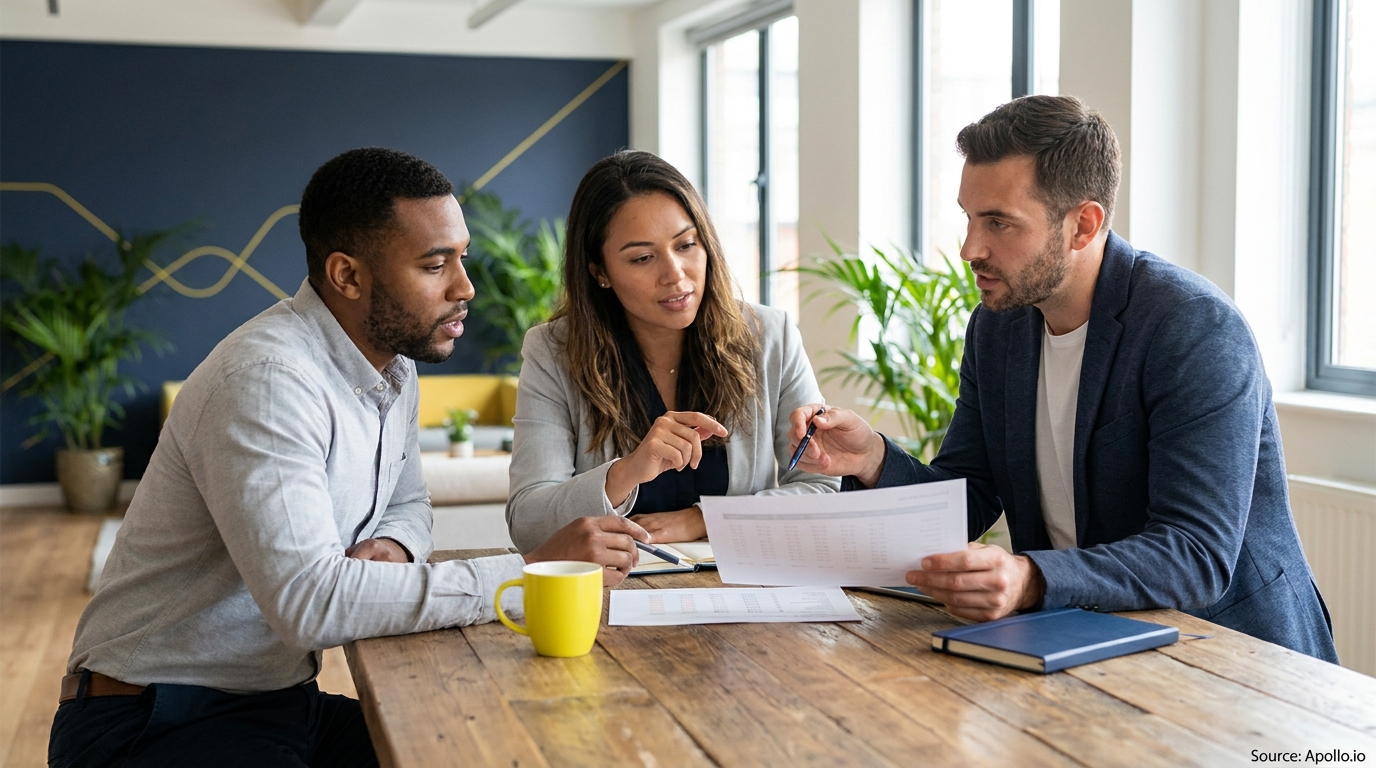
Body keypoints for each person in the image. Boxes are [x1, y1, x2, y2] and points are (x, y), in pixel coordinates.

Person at [49, 148, 652, 768]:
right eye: (433, 264)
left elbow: (408, 501)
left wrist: (390, 547)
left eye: (461, 258)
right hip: (150, 719)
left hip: (277, 702)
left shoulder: (394, 365)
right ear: (347, 276)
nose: (465, 287)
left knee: (493, 746)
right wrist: (527, 573)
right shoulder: (267, 379)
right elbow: (312, 605)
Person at [788, 95, 1338, 662]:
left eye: (999, 222)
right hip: (1084, 641)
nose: (970, 249)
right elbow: (970, 494)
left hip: (1234, 658)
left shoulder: (1193, 326)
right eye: (970, 218)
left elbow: (1194, 553)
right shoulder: (998, 328)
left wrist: (1031, 579)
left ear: (1084, 224)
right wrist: (872, 458)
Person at [506, 150, 838, 554]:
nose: (675, 275)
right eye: (643, 258)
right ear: (600, 273)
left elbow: (823, 487)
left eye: (686, 245)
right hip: (616, 592)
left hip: (744, 589)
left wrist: (705, 520)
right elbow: (528, 522)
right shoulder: (554, 351)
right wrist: (625, 473)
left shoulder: (771, 336)